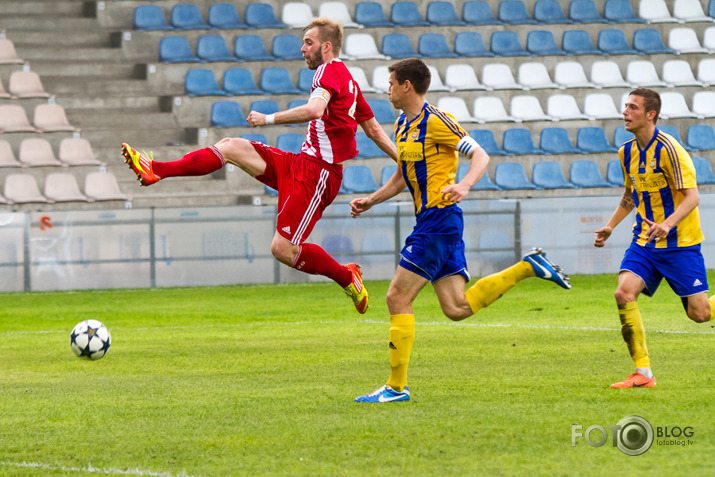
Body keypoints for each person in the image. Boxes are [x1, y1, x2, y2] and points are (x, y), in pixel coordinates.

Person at [120, 17, 398, 314]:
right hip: (301, 163)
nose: (302, 48)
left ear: (326, 47)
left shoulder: (327, 74)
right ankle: (157, 170)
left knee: (282, 249)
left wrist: (268, 119)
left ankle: (347, 277)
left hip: (319, 174)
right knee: (231, 146)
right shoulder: (349, 82)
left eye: (309, 42)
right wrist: (404, 160)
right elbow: (374, 130)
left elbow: (315, 109)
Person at [349, 58, 571, 403]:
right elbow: (403, 174)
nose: (387, 89)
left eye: (391, 83)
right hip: (435, 222)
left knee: (396, 297)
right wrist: (372, 200)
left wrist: (465, 184)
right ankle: (528, 267)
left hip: (439, 220)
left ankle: (395, 388)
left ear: (407, 85)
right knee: (455, 308)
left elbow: (479, 155)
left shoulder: (436, 121)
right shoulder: (402, 124)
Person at [594, 88, 715, 389]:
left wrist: (667, 224)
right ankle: (643, 373)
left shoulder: (670, 150)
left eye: (633, 107)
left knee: (699, 314)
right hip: (645, 242)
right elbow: (629, 195)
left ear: (650, 114)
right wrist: (610, 226)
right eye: (625, 106)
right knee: (623, 293)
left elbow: (693, 196)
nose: (625, 112)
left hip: (680, 243)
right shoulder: (626, 151)